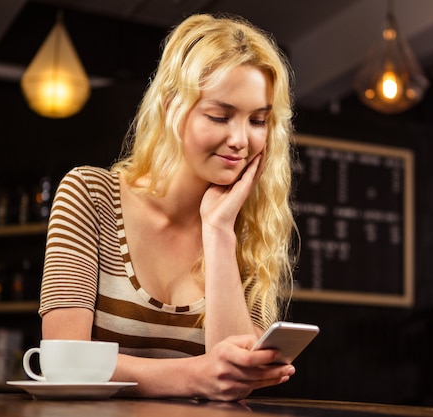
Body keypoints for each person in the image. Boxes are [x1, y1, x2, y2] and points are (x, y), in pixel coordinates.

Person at [38, 13, 298, 401]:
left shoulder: (248, 229)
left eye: (258, 121)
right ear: (171, 107)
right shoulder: (90, 195)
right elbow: (61, 362)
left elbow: (234, 382)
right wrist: (193, 376)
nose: (241, 140)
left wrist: (218, 232)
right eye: (220, 116)